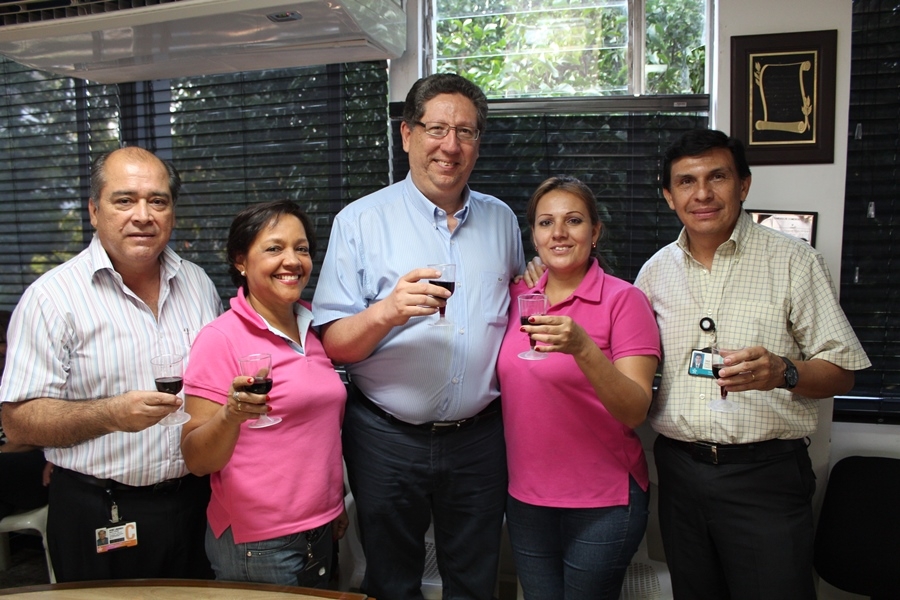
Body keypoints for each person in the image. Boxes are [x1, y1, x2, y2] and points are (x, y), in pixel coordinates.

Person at [632, 129, 871, 599]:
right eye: (686, 181)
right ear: (668, 196)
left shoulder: (795, 261)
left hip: (765, 476)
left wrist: (784, 371)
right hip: (679, 472)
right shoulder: (654, 272)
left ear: (743, 184)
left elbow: (842, 371)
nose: (702, 193)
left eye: (717, 177)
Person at [313, 73, 525, 600]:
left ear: (478, 142)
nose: (450, 146)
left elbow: (523, 305)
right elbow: (334, 344)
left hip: (480, 438)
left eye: (465, 132)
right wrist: (387, 312)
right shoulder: (359, 222)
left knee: (475, 580)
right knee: (391, 580)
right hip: (386, 437)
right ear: (407, 134)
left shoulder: (502, 221)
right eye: (436, 129)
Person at [0, 146, 223, 582]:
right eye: (124, 200)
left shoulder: (197, 283)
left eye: (157, 201)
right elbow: (18, 422)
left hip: (198, 503)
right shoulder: (51, 299)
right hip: (101, 510)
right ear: (94, 211)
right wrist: (109, 414)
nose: (143, 215)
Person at [497, 176, 660, 599]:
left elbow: (635, 410)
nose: (559, 233)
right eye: (546, 223)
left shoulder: (624, 301)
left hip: (603, 501)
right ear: (534, 235)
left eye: (573, 220)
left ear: (595, 231)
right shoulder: (516, 296)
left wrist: (584, 348)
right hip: (527, 498)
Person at [180, 200, 347, 588]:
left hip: (321, 527)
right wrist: (231, 415)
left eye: (301, 249)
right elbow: (196, 459)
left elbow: (318, 435)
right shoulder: (220, 338)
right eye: (274, 248)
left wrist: (335, 503)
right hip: (258, 543)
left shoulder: (316, 327)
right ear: (241, 260)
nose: (292, 261)